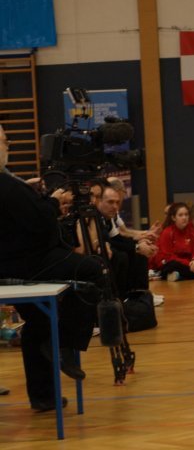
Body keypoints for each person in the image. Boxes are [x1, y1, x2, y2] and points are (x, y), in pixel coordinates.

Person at [0, 126, 102, 410]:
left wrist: (35, 196)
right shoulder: (5, 183)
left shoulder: (9, 184)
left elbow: (23, 212)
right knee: (91, 270)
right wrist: (54, 202)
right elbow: (41, 221)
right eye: (4, 141)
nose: (8, 145)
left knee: (39, 322)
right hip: (24, 262)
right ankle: (68, 345)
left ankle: (44, 396)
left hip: (13, 260)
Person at [157, 202, 194, 280]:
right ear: (174, 218)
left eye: (186, 215)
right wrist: (189, 263)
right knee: (171, 265)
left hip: (190, 262)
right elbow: (168, 256)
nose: (184, 218)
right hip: (176, 262)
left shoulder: (191, 231)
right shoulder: (167, 232)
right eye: (180, 215)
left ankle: (180, 276)